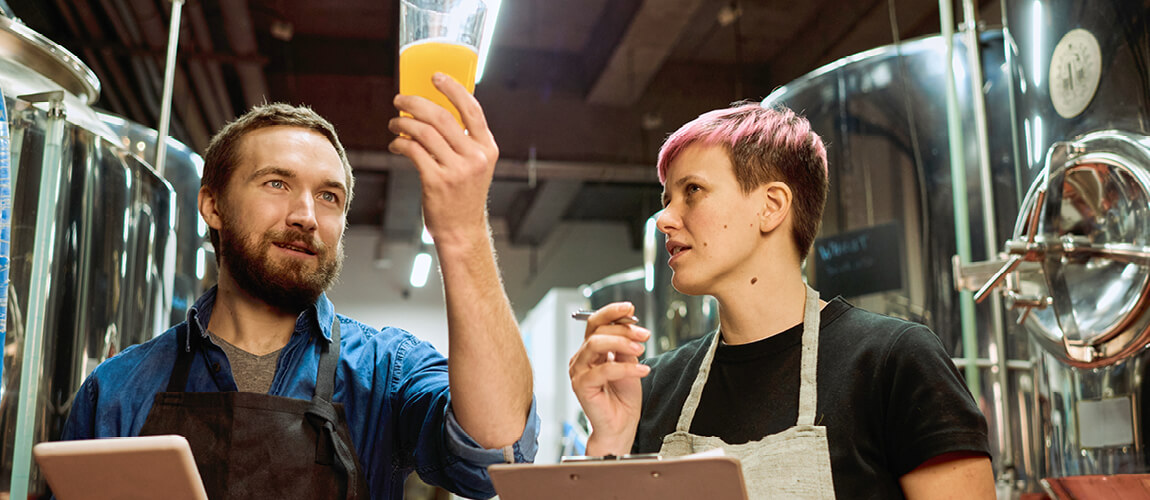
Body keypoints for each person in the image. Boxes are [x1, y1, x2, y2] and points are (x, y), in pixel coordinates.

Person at [61, 73, 538, 499]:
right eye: (276, 183)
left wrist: (463, 233)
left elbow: (494, 454)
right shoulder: (118, 390)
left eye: (329, 196)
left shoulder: (384, 372)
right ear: (212, 205)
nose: (307, 216)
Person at [568, 102, 995, 498]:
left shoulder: (893, 362)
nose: (664, 218)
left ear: (772, 206)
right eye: (666, 200)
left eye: (692, 190)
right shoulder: (655, 384)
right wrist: (611, 441)